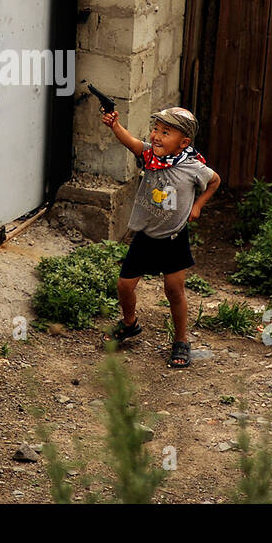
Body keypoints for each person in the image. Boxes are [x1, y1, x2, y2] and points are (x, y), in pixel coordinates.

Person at [100, 105, 221, 368]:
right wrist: (114, 125)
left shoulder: (193, 168)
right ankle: (130, 323)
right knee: (124, 285)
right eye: (156, 129)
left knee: (174, 290)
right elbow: (131, 142)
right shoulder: (149, 156)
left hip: (174, 238)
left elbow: (215, 181)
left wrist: (198, 206)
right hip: (145, 236)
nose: (156, 136)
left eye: (166, 132)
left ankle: (181, 340)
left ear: (184, 142)